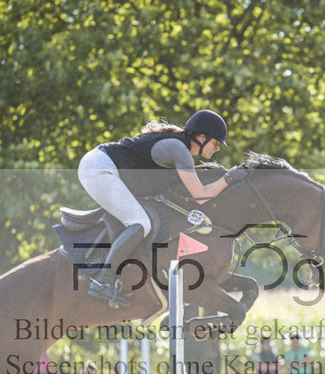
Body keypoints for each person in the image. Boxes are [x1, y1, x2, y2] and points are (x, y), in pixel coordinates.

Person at [77, 110, 241, 307]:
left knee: (141, 220)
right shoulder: (179, 150)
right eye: (215, 143)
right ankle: (103, 281)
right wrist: (229, 178)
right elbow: (201, 195)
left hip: (102, 165)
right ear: (201, 137)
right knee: (140, 223)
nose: (217, 149)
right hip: (99, 168)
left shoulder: (179, 147)